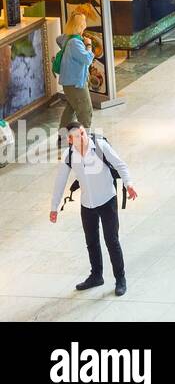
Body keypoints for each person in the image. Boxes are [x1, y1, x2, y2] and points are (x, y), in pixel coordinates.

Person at [50, 123, 136, 296]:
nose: (82, 138)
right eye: (77, 136)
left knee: (112, 240)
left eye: (83, 133)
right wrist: (54, 208)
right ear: (70, 139)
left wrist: (129, 184)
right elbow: (60, 183)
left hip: (107, 200)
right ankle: (96, 276)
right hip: (87, 204)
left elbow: (121, 165)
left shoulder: (100, 147)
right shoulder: (69, 155)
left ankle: (120, 278)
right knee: (91, 242)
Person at [54, 12, 95, 132]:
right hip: (76, 83)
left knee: (71, 109)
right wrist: (88, 45)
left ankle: (63, 136)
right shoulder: (75, 43)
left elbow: (58, 39)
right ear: (81, 26)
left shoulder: (67, 38)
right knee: (86, 111)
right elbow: (87, 59)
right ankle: (85, 139)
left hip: (68, 83)